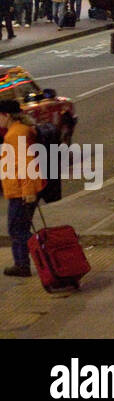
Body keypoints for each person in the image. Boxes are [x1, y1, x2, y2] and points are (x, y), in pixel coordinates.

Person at [0, 99, 43, 277]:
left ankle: (39, 257)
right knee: (20, 229)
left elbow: (26, 163)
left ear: (7, 115)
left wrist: (28, 191)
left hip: (21, 191)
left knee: (17, 230)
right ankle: (22, 264)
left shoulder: (15, 134)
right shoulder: (20, 131)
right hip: (20, 189)